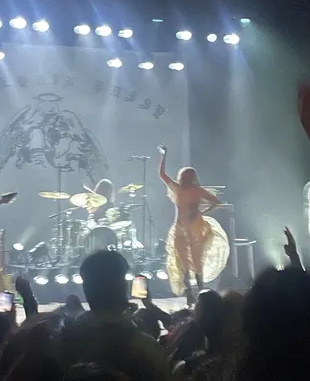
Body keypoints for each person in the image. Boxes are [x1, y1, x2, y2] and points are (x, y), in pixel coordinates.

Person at [65, 250, 171, 381]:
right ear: (122, 287)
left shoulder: (65, 340)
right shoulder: (146, 348)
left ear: (86, 288)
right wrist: (148, 306)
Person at [158, 145, 229, 305]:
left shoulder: (196, 191)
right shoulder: (178, 189)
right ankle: (190, 294)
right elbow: (162, 175)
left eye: (186, 176)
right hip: (181, 228)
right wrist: (163, 155)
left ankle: (200, 293)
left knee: (196, 261)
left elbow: (216, 202)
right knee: (183, 260)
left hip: (194, 227)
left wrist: (201, 212)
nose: (184, 179)